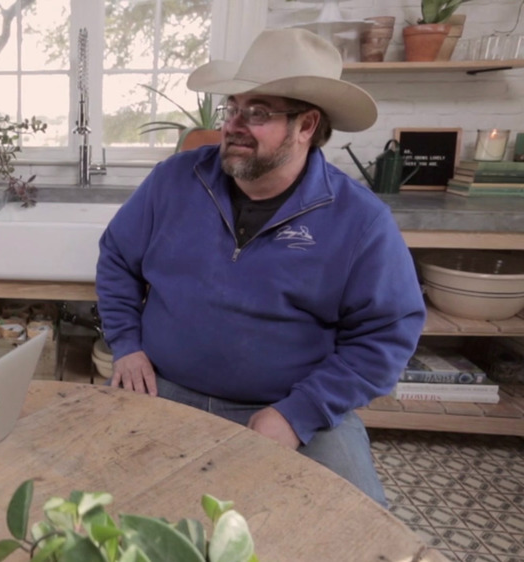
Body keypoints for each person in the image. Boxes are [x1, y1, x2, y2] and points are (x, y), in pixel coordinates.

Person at [96, 29, 425, 506]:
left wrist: (298, 414)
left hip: (288, 408)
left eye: (258, 112)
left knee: (356, 526)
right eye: (233, 107)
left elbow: (386, 336)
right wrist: (125, 345)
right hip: (160, 387)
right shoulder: (173, 181)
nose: (233, 124)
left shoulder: (361, 220)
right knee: (97, 506)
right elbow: (116, 260)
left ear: (307, 125)